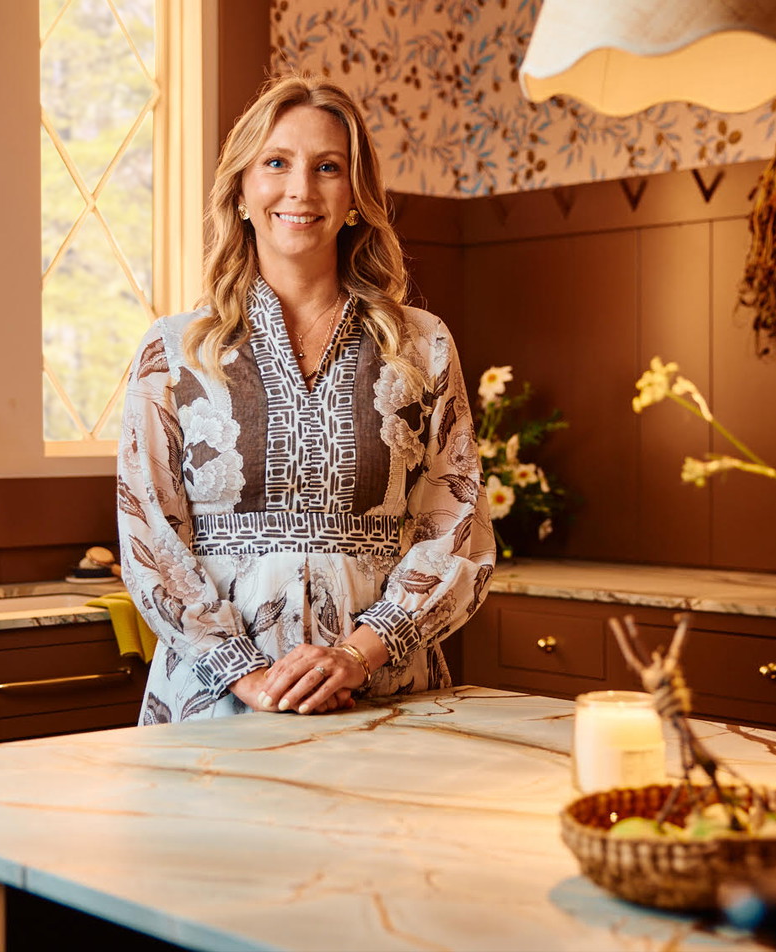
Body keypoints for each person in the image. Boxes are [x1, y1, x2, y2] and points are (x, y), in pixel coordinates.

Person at [117, 74, 496, 724]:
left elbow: (455, 531)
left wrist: (357, 656)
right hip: (216, 705)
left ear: (354, 197)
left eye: (328, 167)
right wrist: (249, 677)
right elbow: (150, 534)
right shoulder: (172, 350)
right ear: (240, 190)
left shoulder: (423, 345)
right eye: (276, 163)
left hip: (384, 696)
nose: (301, 189)